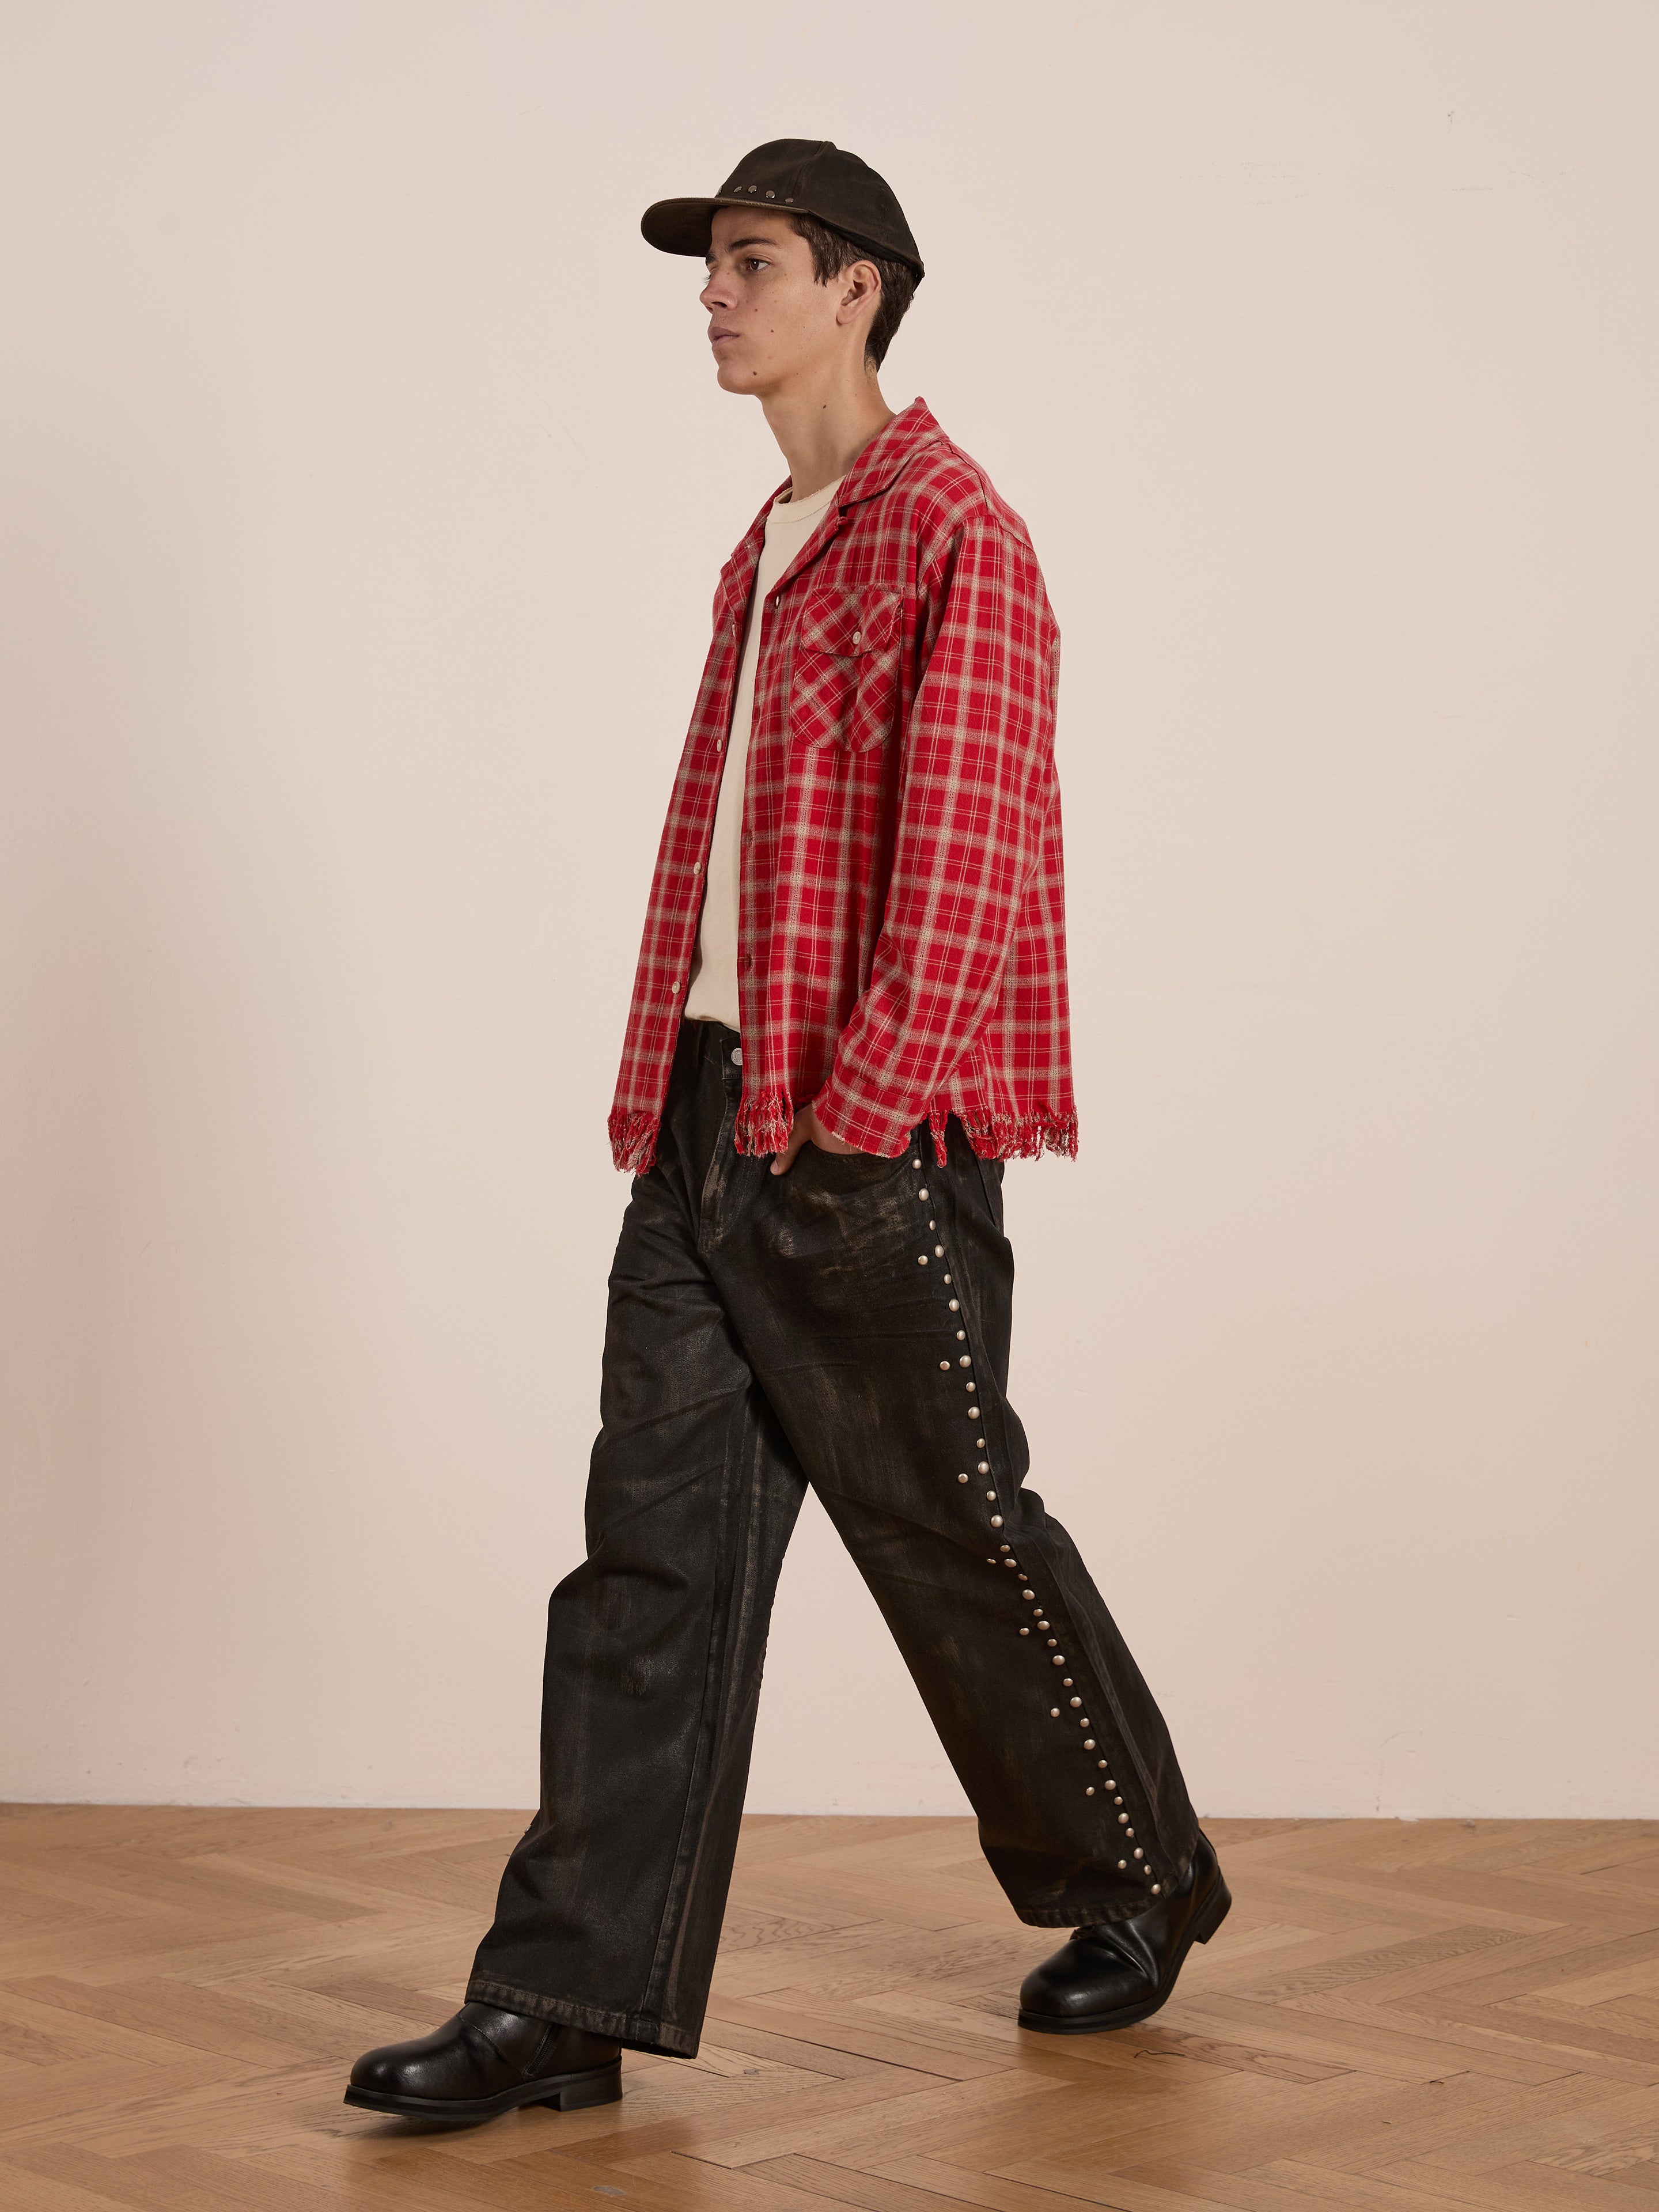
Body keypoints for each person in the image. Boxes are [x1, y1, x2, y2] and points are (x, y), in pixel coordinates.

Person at [345, 138, 1228, 2127]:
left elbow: (972, 859)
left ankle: (1141, 1877)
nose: (715, 296)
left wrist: (859, 1114)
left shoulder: (957, 531)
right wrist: (677, 1084)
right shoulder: (767, 543)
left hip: (862, 1136)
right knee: (646, 1564)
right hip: (706, 1117)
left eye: (751, 262)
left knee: (950, 1528)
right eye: (711, 265)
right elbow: (727, 852)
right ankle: (564, 2001)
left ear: (858, 289)